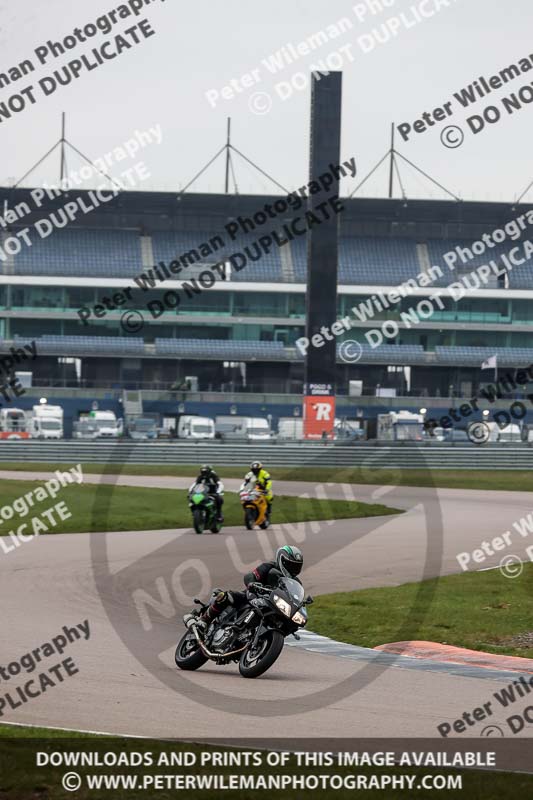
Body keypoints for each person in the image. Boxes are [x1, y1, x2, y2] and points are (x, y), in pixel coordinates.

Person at [183, 545, 304, 631]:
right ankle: (204, 620)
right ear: (282, 560)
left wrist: (299, 607)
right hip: (251, 597)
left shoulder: (295, 582)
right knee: (225, 596)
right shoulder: (268, 567)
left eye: (296, 566)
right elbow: (250, 576)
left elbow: (295, 598)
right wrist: (252, 583)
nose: (293, 569)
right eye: (291, 565)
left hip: (270, 607)